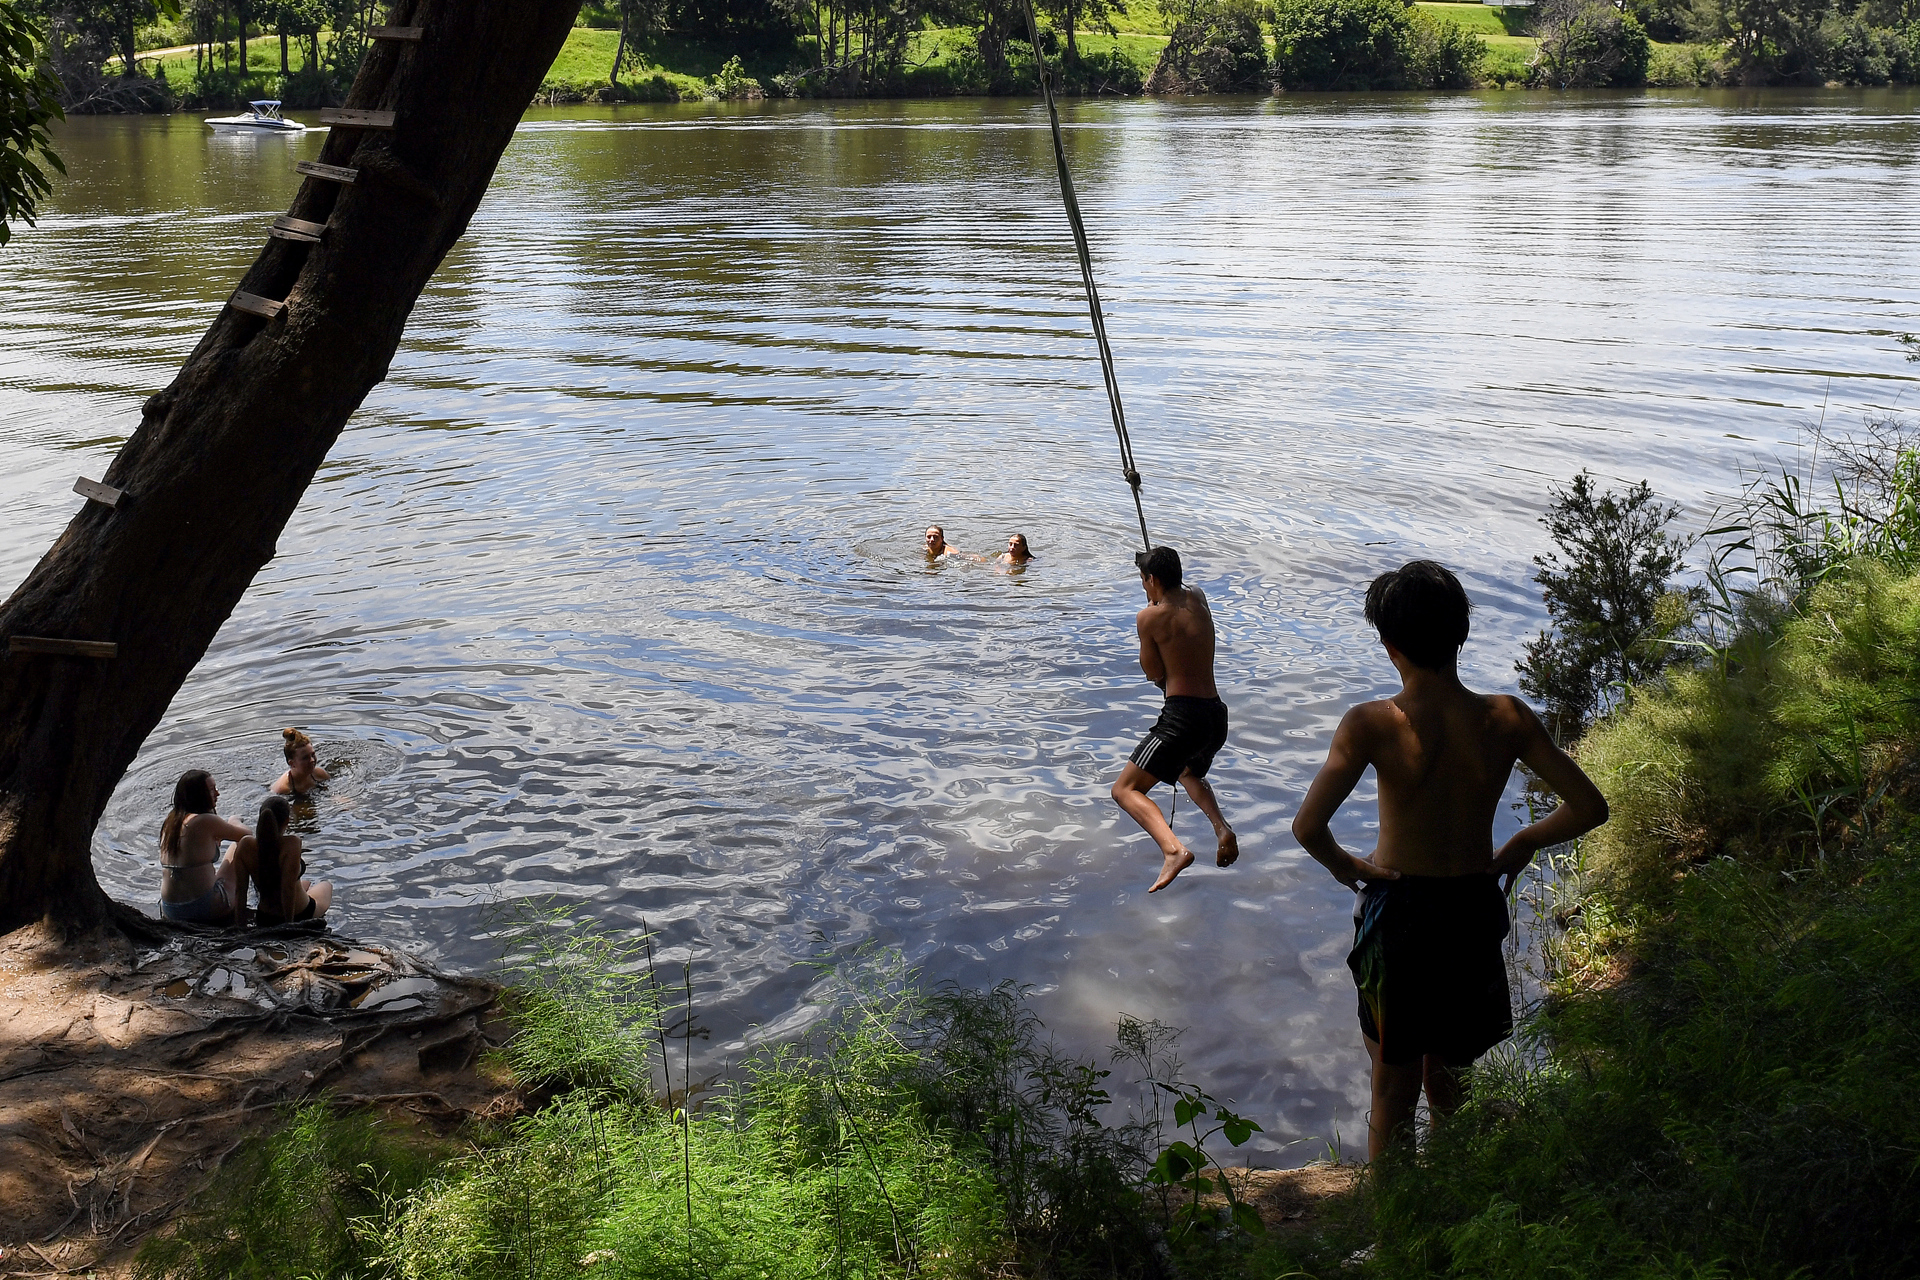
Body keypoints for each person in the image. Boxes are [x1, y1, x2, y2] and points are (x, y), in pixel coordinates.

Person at [1290, 560, 1609, 1160]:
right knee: (1451, 1085)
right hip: (1470, 910)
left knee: (1391, 1091)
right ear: (1462, 634)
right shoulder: (1506, 718)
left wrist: (1347, 867)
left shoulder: (1371, 724)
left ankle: (1394, 1241)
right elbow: (1589, 806)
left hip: (1401, 915)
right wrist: (1523, 841)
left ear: (1389, 647)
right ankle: (1450, 1207)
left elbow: (1309, 828)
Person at [1110, 546, 1239, 893]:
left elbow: (1154, 673)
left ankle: (1173, 850)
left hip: (1183, 718)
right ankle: (1221, 828)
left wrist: (1152, 617)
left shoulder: (1148, 618)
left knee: (1125, 789)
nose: (1142, 588)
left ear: (1151, 580)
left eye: (1143, 580)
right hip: (1215, 716)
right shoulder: (1198, 596)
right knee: (1187, 772)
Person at [157, 769, 249, 923]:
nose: (217, 794)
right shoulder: (204, 821)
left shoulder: (171, 821)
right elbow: (246, 834)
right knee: (241, 845)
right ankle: (249, 906)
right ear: (198, 795)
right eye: (212, 790)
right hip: (202, 908)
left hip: (170, 909)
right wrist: (234, 820)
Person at [235, 794, 332, 926]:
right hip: (299, 914)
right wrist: (288, 926)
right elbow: (288, 889)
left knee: (306, 882)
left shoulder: (245, 845)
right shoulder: (291, 843)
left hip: (264, 915)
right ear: (287, 821)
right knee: (326, 885)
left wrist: (240, 926)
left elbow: (240, 890)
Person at [271, 727, 330, 797]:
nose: (312, 760)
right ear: (292, 763)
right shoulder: (283, 789)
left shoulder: (320, 774)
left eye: (313, 755)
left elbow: (331, 793)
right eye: (305, 758)